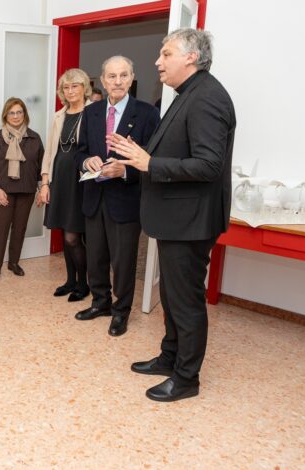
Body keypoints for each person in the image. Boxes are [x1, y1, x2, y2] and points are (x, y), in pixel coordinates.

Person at [109, 28, 236, 402]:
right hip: (178, 219)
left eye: (166, 54)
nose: (157, 62)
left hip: (190, 221)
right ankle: (169, 357)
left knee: (185, 301)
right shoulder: (188, 94)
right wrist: (140, 154)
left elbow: (208, 165)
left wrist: (150, 163)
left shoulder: (208, 97)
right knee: (171, 294)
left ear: (191, 57)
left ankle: (186, 379)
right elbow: (178, 151)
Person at [73, 56, 160, 337]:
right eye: (112, 76)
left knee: (123, 262)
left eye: (124, 75)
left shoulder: (147, 114)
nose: (118, 81)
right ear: (103, 80)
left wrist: (125, 170)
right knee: (95, 257)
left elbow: (154, 160)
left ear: (132, 78)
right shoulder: (91, 112)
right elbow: (80, 151)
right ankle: (100, 303)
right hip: (94, 197)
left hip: (125, 200)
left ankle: (121, 311)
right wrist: (86, 162)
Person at [36, 68, 92, 302]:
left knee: (73, 236)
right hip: (59, 178)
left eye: (75, 86)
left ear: (84, 88)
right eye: (66, 87)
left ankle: (84, 284)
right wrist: (45, 183)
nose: (70, 91)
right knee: (63, 232)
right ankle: (70, 281)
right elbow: (50, 151)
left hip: (79, 181)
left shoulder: (93, 112)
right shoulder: (59, 115)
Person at [0, 98, 44, 280]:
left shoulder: (34, 138)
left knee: (20, 228)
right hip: (4, 190)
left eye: (19, 112)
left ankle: (14, 263)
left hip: (27, 190)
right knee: (1, 228)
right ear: (6, 115)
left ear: (24, 114)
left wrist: (42, 189)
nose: (16, 116)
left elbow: (41, 167)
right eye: (12, 113)